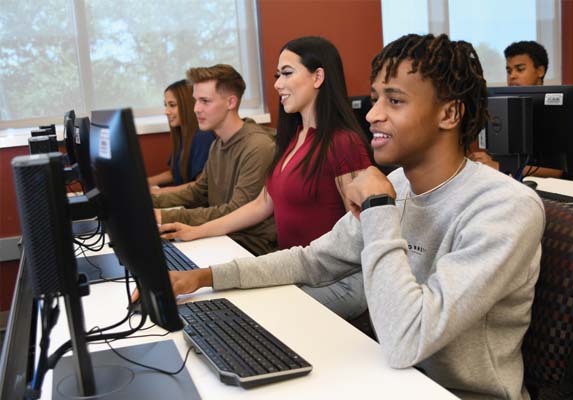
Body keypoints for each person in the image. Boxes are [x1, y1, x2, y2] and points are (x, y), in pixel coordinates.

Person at [161, 34, 545, 399]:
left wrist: (379, 209)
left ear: (449, 113)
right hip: (386, 372)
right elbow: (313, 259)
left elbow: (407, 338)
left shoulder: (503, 207)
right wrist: (207, 277)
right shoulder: (401, 185)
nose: (373, 114)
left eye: (394, 101)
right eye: (376, 99)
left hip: (453, 392)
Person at [159, 36, 373, 320]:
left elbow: (363, 233)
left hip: (334, 280)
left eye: (287, 73)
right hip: (293, 269)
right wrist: (197, 231)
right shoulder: (294, 138)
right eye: (276, 75)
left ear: (318, 76)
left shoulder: (343, 143)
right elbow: (262, 203)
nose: (277, 84)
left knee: (243, 319)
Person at [152, 64, 277, 256]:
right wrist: (149, 201)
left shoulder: (258, 147)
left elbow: (236, 211)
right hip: (224, 238)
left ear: (231, 102)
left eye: (205, 101)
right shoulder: (217, 144)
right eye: (195, 101)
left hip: (251, 247)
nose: (196, 109)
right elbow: (198, 191)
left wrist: (166, 215)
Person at [469, 40, 561, 177]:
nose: (512, 76)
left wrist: (500, 167)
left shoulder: (555, 112)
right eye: (509, 70)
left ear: (540, 71)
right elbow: (496, 159)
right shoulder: (504, 110)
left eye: (520, 69)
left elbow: (556, 171)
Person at [147, 79, 215, 194]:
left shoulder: (202, 137)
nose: (166, 111)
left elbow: (200, 186)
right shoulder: (182, 136)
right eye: (166, 105)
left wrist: (161, 192)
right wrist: (147, 182)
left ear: (188, 106)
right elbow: (175, 173)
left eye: (172, 105)